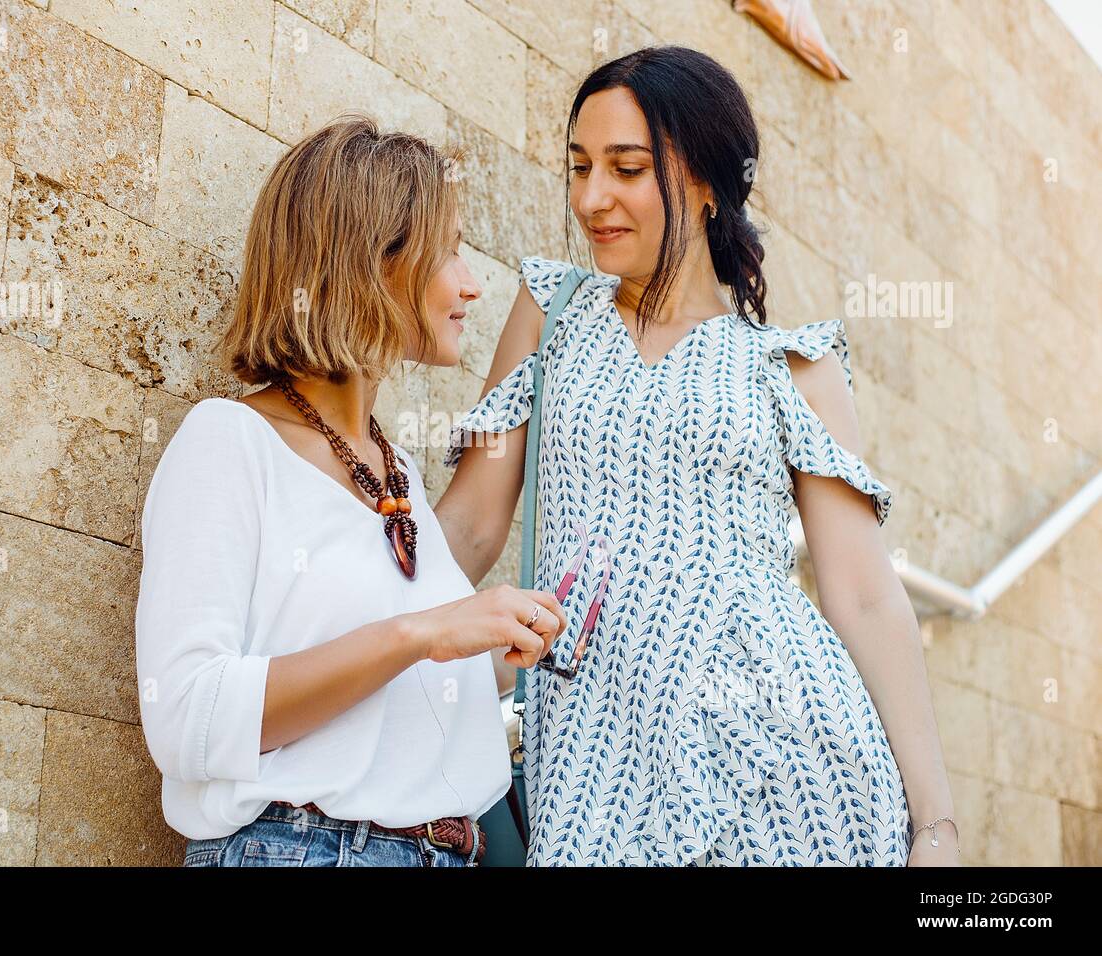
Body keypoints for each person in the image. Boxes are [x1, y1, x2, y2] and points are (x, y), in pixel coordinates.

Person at [435, 46, 960, 866]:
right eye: (579, 168)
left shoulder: (795, 364)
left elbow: (860, 593)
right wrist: (349, 629)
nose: (592, 198)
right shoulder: (552, 312)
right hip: (595, 747)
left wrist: (936, 824)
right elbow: (467, 529)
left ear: (709, 181)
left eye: (627, 168)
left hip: (789, 758)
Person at [134, 115, 567, 868]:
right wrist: (425, 634)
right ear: (377, 260)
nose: (471, 284)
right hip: (306, 850)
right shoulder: (229, 442)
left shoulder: (389, 468)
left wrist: (507, 639)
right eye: (452, 250)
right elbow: (186, 718)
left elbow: (393, 691)